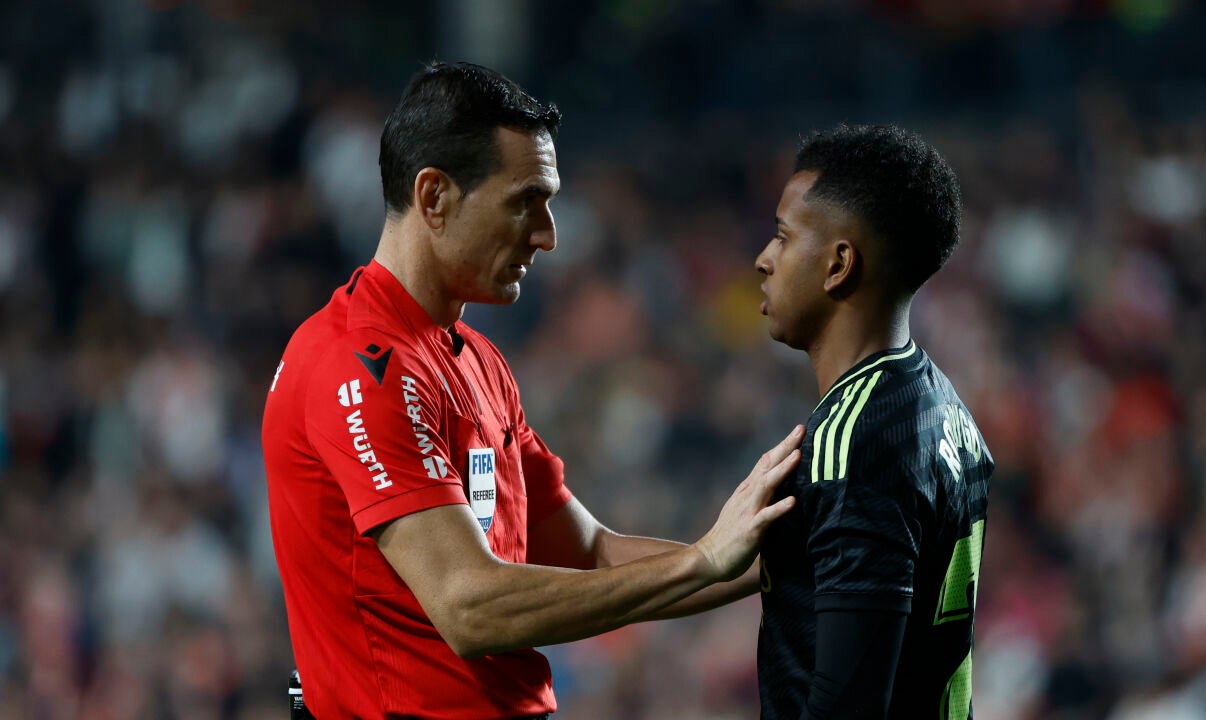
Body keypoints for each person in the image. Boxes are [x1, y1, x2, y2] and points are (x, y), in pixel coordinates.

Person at [260, 61, 803, 719]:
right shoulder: (359, 365)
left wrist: (784, 562)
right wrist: (703, 562)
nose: (548, 235)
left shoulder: (478, 361)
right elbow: (470, 607)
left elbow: (593, 556)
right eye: (525, 202)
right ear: (434, 196)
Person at [753, 124, 994, 719]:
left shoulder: (855, 441)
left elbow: (848, 706)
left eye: (783, 236)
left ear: (839, 264)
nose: (764, 259)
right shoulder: (941, 404)